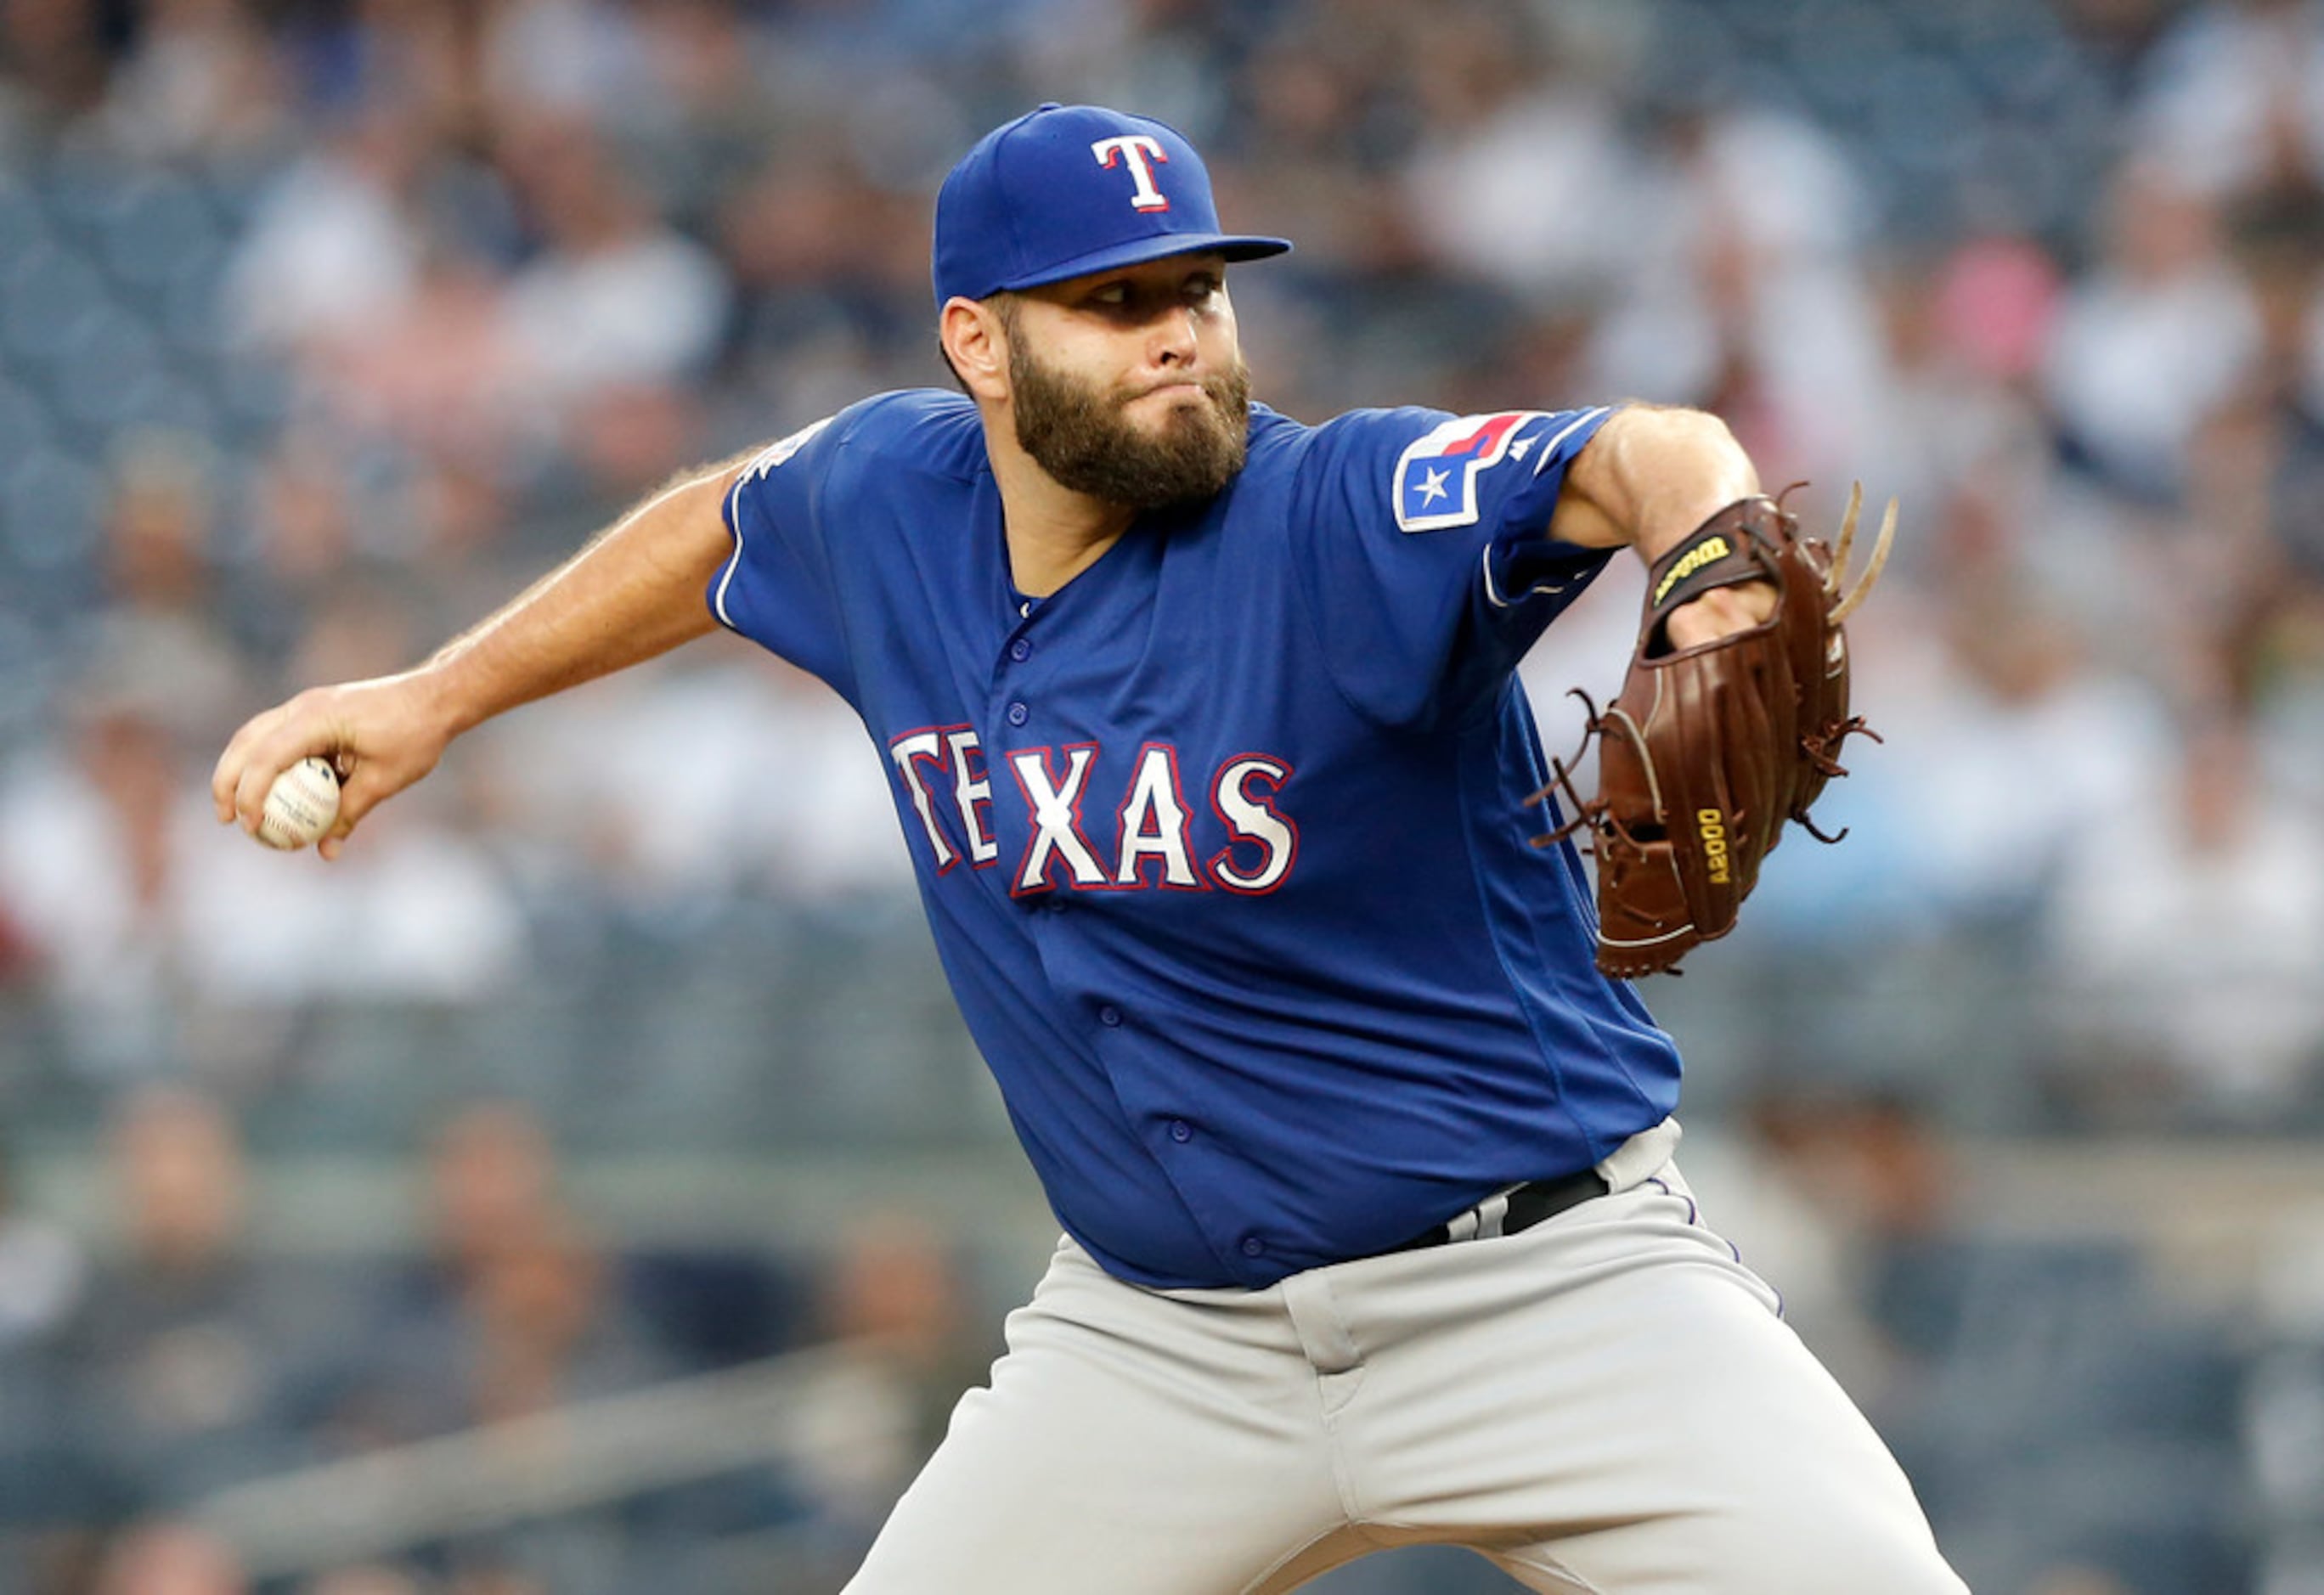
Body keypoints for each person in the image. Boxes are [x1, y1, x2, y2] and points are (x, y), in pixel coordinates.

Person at [215, 103, 1965, 1593]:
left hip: (1546, 1295)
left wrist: (1713, 551)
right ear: (978, 344)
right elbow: (717, 521)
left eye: (1197, 289)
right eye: (1113, 303)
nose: (1181, 334)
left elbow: (1644, 452)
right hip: (1158, 1344)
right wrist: (441, 695)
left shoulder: (1345, 512)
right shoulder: (888, 502)